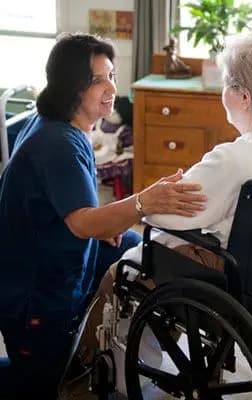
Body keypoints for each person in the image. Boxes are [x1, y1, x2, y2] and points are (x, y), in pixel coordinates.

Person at [81, 31, 252, 362]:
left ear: (244, 97)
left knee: (127, 265)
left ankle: (91, 379)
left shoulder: (234, 159)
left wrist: (147, 200)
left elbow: (161, 215)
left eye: (227, 83)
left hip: (237, 290)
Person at [0, 33, 207, 400]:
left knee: (132, 244)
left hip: (48, 260)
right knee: (46, 384)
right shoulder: (59, 144)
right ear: (72, 87)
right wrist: (144, 202)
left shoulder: (58, 123)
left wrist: (114, 218)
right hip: (36, 294)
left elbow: (76, 211)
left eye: (111, 74)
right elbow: (82, 222)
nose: (111, 87)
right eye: (98, 80)